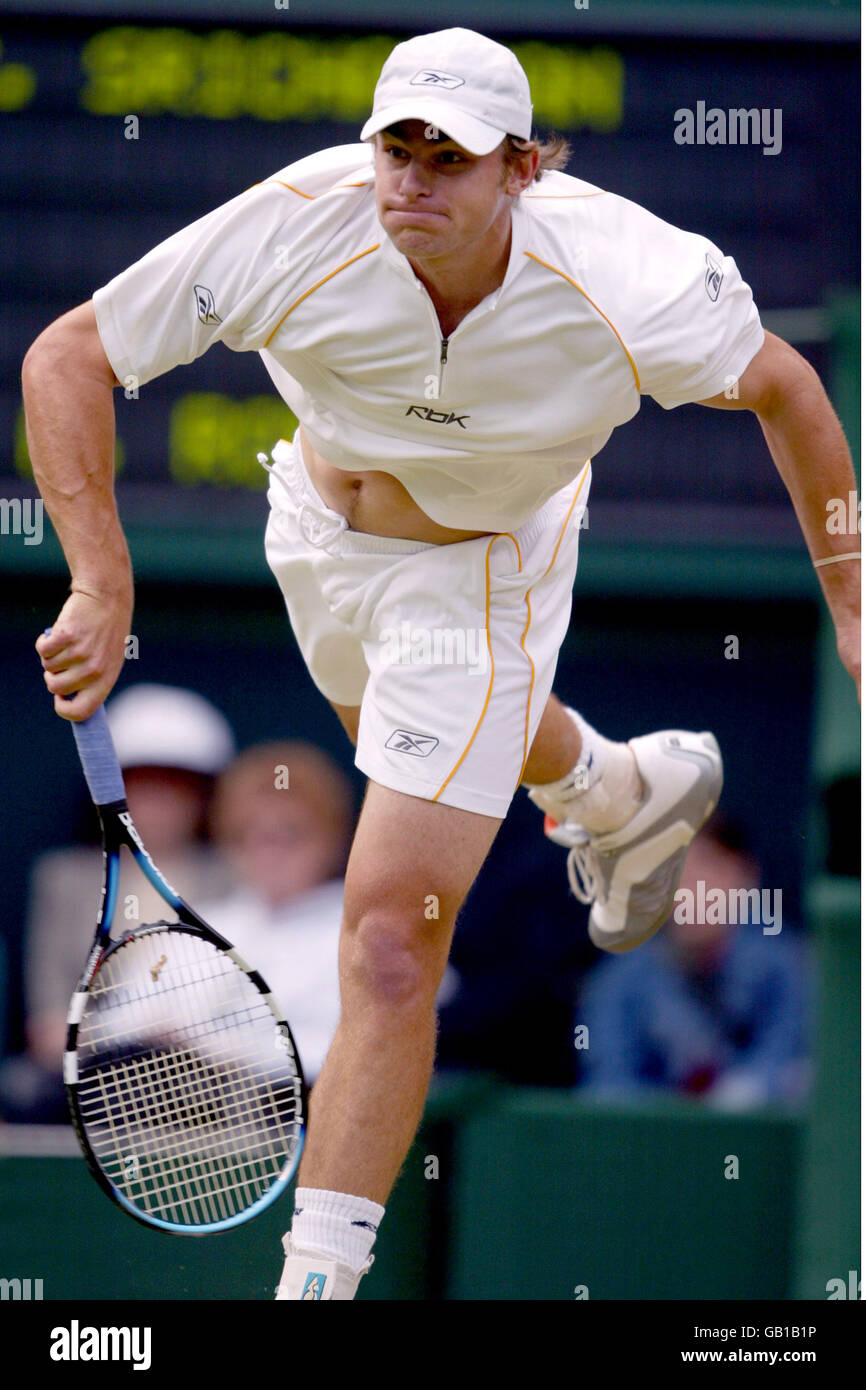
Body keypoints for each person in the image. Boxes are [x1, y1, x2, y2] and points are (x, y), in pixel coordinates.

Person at [21, 28, 858, 1299]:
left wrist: (849, 603)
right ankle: (612, 788)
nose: (412, 179)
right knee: (422, 744)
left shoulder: (631, 279)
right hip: (311, 534)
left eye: (449, 158)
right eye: (394, 148)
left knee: (390, 944)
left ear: (521, 167)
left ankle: (315, 1282)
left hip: (480, 575)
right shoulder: (297, 224)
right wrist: (101, 577)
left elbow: (791, 391)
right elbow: (67, 356)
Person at [2, 683, 235, 1123]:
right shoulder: (64, 880)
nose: (158, 804)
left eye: (175, 788)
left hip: (207, 1079)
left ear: (203, 798)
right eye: (141, 786)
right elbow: (49, 1025)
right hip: (89, 1077)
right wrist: (117, 1042)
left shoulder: (234, 876)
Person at [579, 817, 813, 1109]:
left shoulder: (791, 969)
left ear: (745, 878)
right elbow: (607, 1086)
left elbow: (792, 1060)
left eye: (707, 869)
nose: (692, 891)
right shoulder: (618, 983)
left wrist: (745, 1094)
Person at [202, 740, 355, 1083]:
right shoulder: (201, 928)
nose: (269, 854)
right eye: (251, 834)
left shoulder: (365, 935)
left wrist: (232, 1059)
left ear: (332, 839)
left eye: (290, 834)